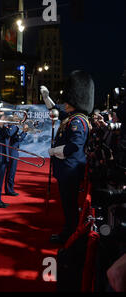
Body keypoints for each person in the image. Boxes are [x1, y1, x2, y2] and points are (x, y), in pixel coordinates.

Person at [41, 70, 94, 245]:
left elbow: (74, 146)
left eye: (67, 101)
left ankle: (70, 235)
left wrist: (54, 151)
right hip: (68, 169)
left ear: (74, 102)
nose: (64, 103)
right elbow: (55, 110)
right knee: (68, 204)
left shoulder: (78, 121)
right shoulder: (74, 117)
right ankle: (70, 232)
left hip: (70, 169)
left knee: (69, 206)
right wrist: (46, 97)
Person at [4, 120, 29, 196]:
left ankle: (10, 189)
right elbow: (19, 139)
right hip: (12, 151)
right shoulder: (13, 127)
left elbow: (17, 138)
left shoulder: (14, 128)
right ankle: (9, 189)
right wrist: (24, 132)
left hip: (13, 150)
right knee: (11, 172)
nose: (20, 121)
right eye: (17, 120)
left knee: (11, 172)